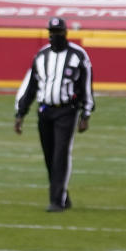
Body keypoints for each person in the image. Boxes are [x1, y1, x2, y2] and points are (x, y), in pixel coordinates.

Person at [14, 18, 94, 212]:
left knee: (60, 154)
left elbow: (86, 85)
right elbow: (31, 86)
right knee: (49, 155)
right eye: (51, 31)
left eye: (58, 32)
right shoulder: (41, 56)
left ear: (65, 33)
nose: (54, 35)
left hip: (66, 110)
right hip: (45, 110)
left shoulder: (77, 55)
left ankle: (56, 200)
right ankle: (63, 196)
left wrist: (86, 113)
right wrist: (20, 113)